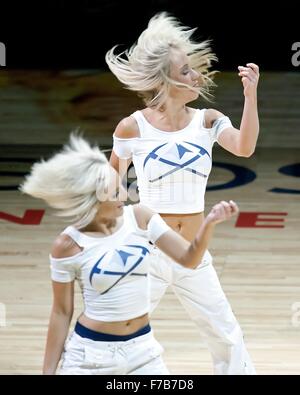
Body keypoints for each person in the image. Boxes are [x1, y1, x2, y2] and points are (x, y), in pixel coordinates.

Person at [106, 12, 259, 374]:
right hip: (147, 251)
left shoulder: (205, 121)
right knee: (121, 331)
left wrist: (250, 96)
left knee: (226, 334)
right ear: (164, 80)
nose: (197, 75)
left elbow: (244, 147)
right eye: (186, 70)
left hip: (193, 253)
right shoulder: (133, 127)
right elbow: (110, 186)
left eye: (192, 67)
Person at [20, 134, 238, 375]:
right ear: (90, 199)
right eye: (114, 193)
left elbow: (190, 259)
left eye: (122, 187)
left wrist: (209, 223)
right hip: (90, 357)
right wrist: (47, 372)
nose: (124, 196)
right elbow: (61, 312)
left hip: (144, 353)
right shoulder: (68, 245)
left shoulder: (140, 217)